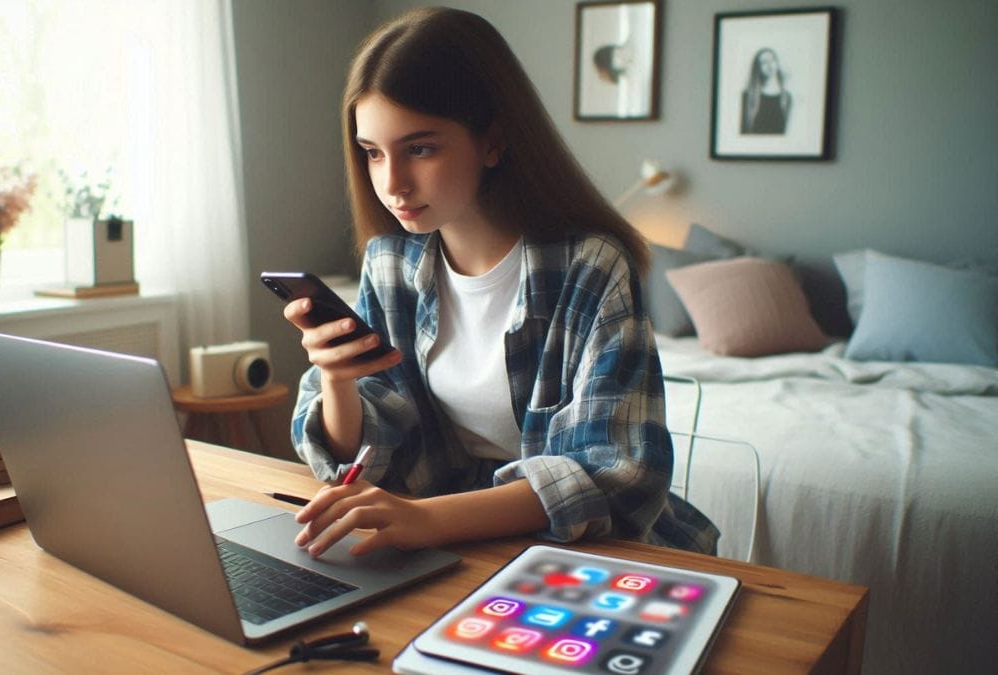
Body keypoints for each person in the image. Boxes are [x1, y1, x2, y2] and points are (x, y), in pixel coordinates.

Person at [280, 7, 718, 560]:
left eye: (420, 148)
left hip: (581, 555)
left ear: (493, 141)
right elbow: (368, 456)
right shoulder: (389, 263)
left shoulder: (589, 266)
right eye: (372, 153)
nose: (392, 183)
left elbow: (618, 473)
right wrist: (336, 377)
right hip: (448, 547)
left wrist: (428, 519)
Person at [740, 47, 791, 134]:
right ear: (758, 68)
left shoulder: (787, 98)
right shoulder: (747, 96)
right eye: (764, 62)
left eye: (772, 60)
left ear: (777, 63)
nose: (770, 65)